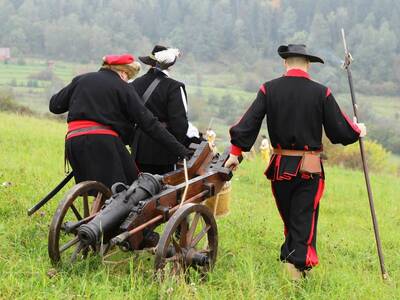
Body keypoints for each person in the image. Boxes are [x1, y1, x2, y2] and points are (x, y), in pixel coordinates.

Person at [225, 44, 366, 280]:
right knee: (303, 219)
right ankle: (294, 275)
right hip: (309, 170)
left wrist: (235, 152)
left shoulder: (268, 89)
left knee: (293, 219)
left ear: (285, 63)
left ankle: (295, 262)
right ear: (308, 64)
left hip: (280, 169)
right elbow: (340, 130)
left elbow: (248, 122)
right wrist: (357, 130)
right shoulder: (322, 92)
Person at [49, 54, 190, 189]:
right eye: (128, 76)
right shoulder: (123, 86)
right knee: (133, 184)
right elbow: (149, 123)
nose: (127, 80)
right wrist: (180, 150)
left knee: (102, 187)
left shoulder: (80, 80)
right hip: (104, 143)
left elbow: (54, 106)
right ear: (123, 73)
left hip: (74, 141)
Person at [131, 45, 198, 175]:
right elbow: (180, 124)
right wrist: (178, 147)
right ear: (170, 66)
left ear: (150, 64)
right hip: (163, 150)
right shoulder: (174, 87)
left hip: (138, 147)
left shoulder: (135, 84)